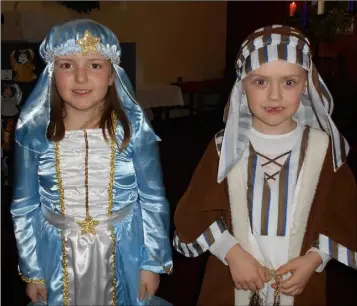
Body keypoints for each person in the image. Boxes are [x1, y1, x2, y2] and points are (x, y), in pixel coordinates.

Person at [173, 25, 357, 306]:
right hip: (233, 276)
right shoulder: (225, 147)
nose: (274, 95)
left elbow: (343, 217)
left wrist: (314, 259)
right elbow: (194, 212)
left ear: (306, 85)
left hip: (299, 284)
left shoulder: (324, 149)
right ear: (242, 86)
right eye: (260, 82)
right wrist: (232, 253)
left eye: (289, 82)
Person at [11, 19, 172, 306]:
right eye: (67, 65)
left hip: (125, 254)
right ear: (51, 72)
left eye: (95, 65)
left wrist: (152, 263)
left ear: (112, 75)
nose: (81, 77)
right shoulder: (34, 134)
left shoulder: (133, 131)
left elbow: (153, 199)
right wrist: (33, 272)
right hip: (54, 257)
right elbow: (24, 206)